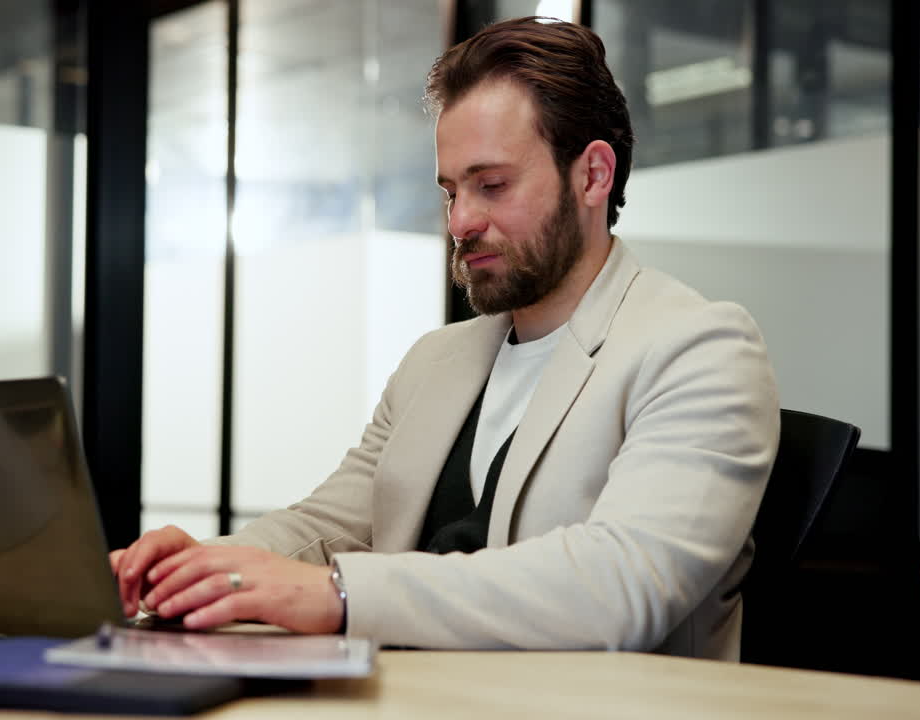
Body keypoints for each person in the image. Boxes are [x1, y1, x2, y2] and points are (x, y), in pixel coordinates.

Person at [110, 17, 779, 660]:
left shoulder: (700, 348)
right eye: (450, 191)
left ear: (593, 176)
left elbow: (621, 585)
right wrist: (202, 568)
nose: (460, 222)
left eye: (492, 185)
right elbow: (331, 525)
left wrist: (343, 595)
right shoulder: (437, 361)